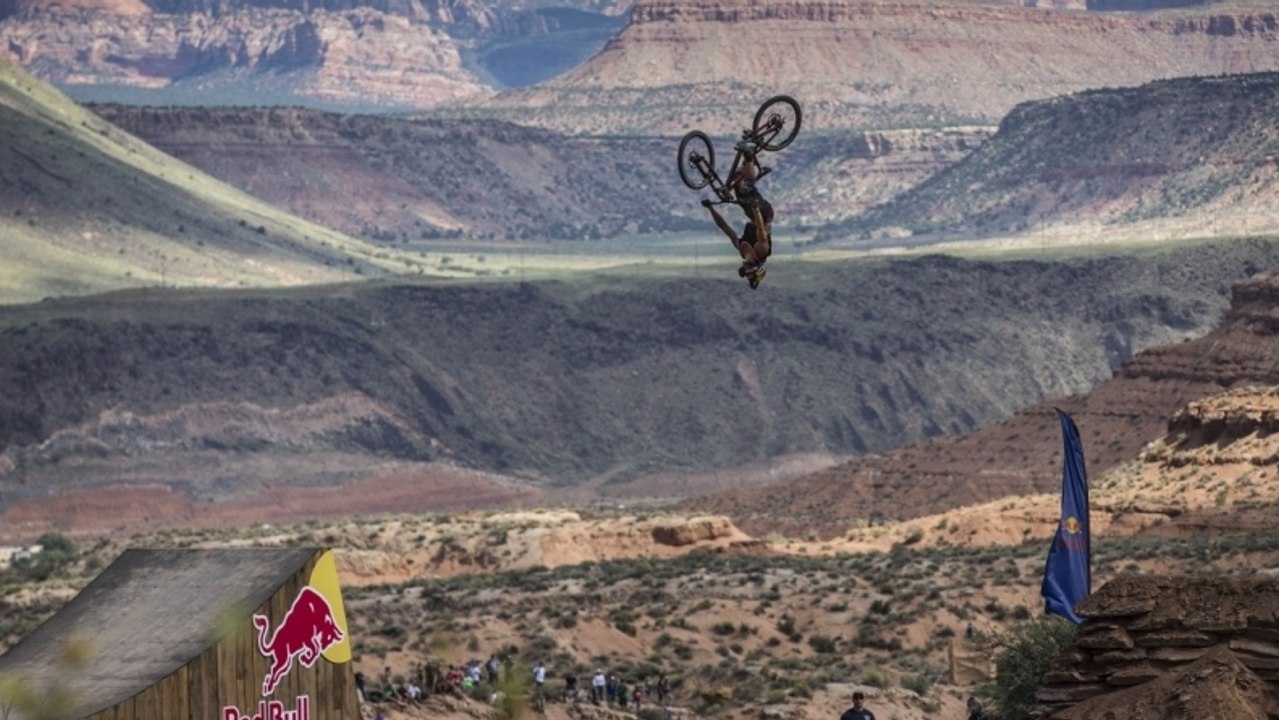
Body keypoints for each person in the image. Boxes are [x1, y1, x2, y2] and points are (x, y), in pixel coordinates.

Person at [702, 142, 773, 289]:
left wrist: (711, 209)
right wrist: (756, 209)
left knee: (736, 183)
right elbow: (761, 230)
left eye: (746, 274)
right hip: (764, 214)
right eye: (749, 274)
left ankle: (748, 159)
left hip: (752, 213)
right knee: (745, 187)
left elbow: (725, 228)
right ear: (756, 270)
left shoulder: (742, 250)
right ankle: (749, 155)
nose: (746, 272)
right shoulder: (762, 252)